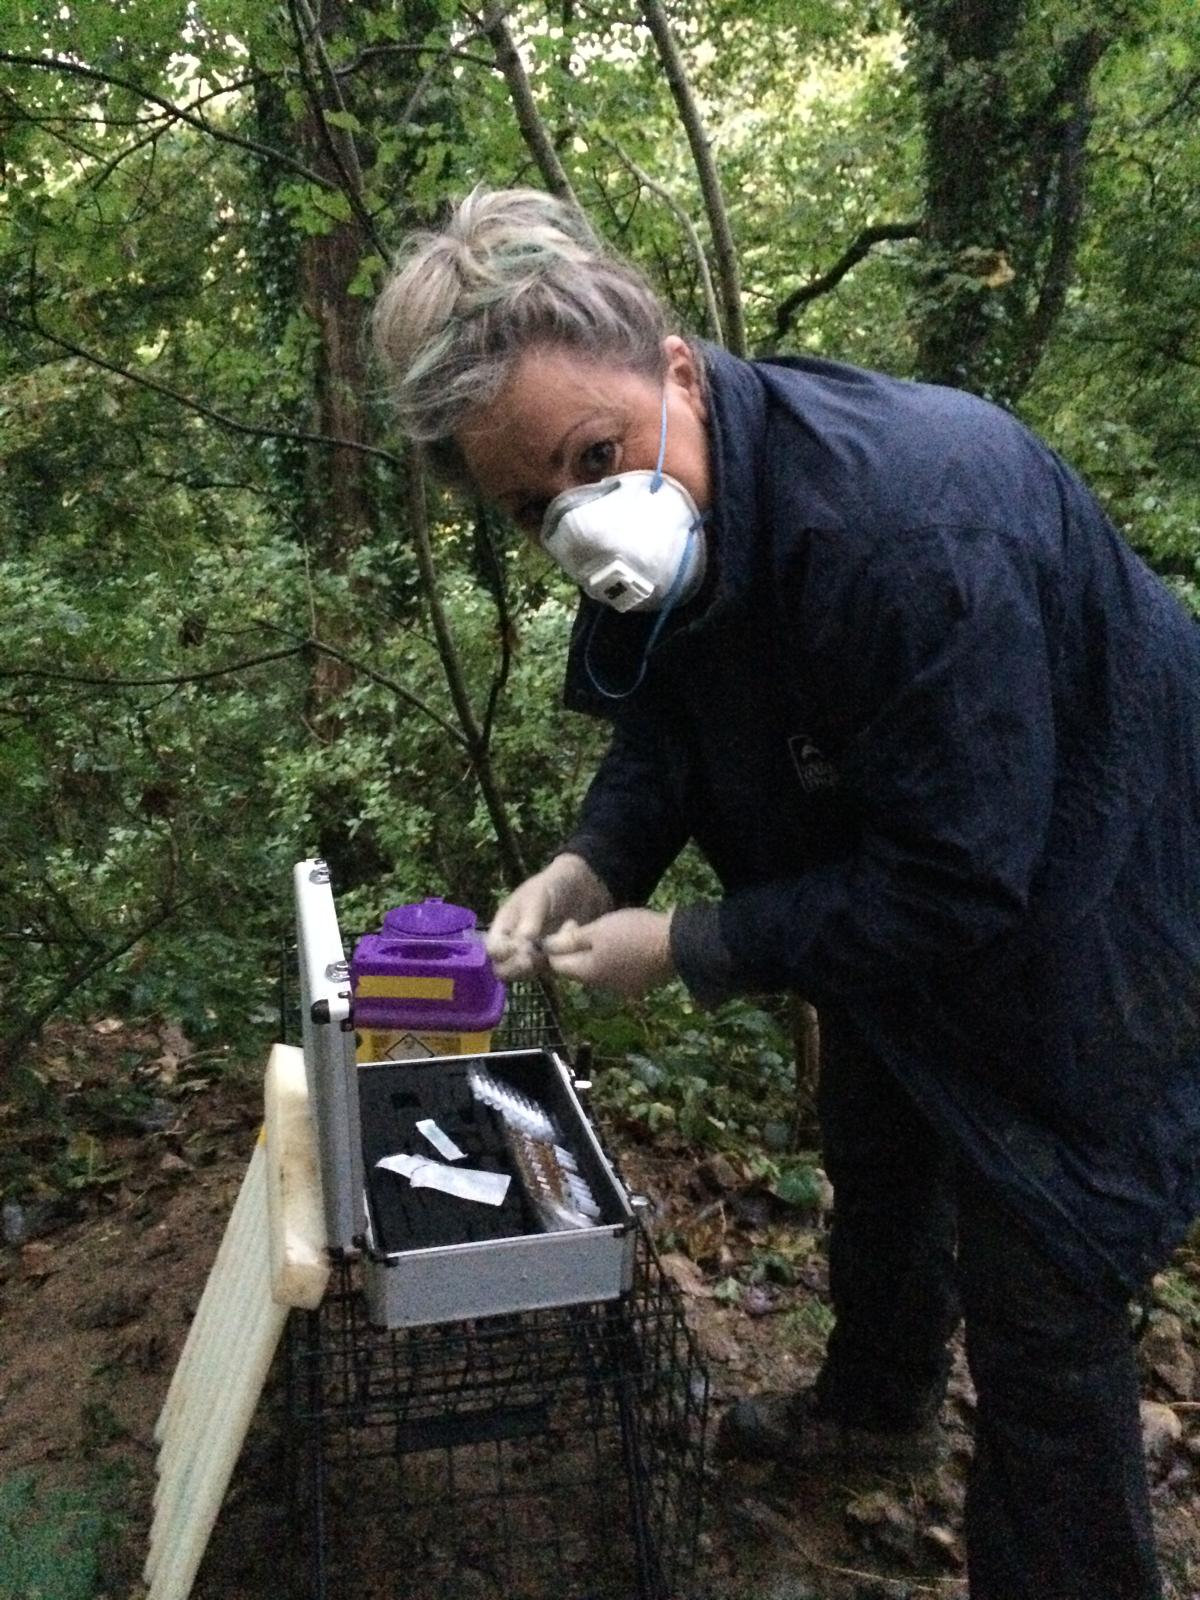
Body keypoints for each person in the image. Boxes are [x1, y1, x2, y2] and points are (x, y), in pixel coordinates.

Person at [372, 185, 1200, 1600]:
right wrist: (593, 861)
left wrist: (690, 941)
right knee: (879, 1142)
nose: (582, 524)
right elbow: (669, 725)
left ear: (676, 367)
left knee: (1040, 1281)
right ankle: (875, 1410)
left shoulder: (911, 529)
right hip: (902, 876)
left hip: (1101, 893)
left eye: (596, 455)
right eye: (531, 509)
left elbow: (961, 879)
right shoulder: (665, 520)